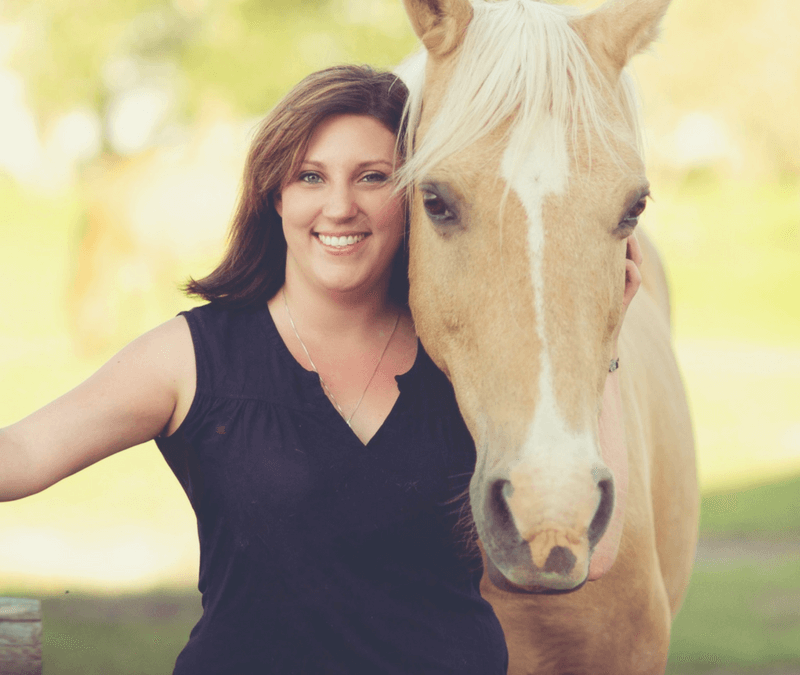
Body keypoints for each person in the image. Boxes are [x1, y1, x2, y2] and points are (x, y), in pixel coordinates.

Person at [0, 64, 641, 673]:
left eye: (371, 177)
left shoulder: (461, 363)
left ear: (415, 198)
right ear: (274, 195)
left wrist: (604, 334)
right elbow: (23, 453)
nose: (339, 207)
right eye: (310, 177)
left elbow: (589, 550)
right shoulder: (193, 356)